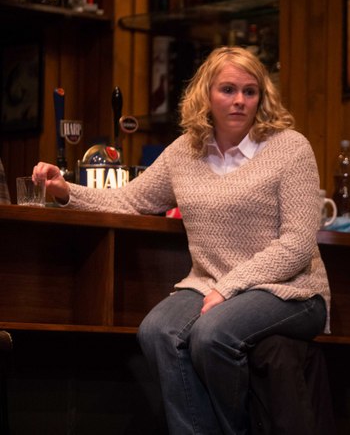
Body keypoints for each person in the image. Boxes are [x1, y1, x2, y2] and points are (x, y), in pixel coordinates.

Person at [33, 46, 330, 434]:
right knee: (157, 331)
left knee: (212, 335)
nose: (240, 100)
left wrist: (229, 288)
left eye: (250, 91)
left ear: (263, 97)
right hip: (211, 284)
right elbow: (129, 200)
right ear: (206, 94)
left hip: (292, 290)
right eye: (228, 89)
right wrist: (65, 191)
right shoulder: (185, 151)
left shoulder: (291, 149)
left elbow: (297, 244)